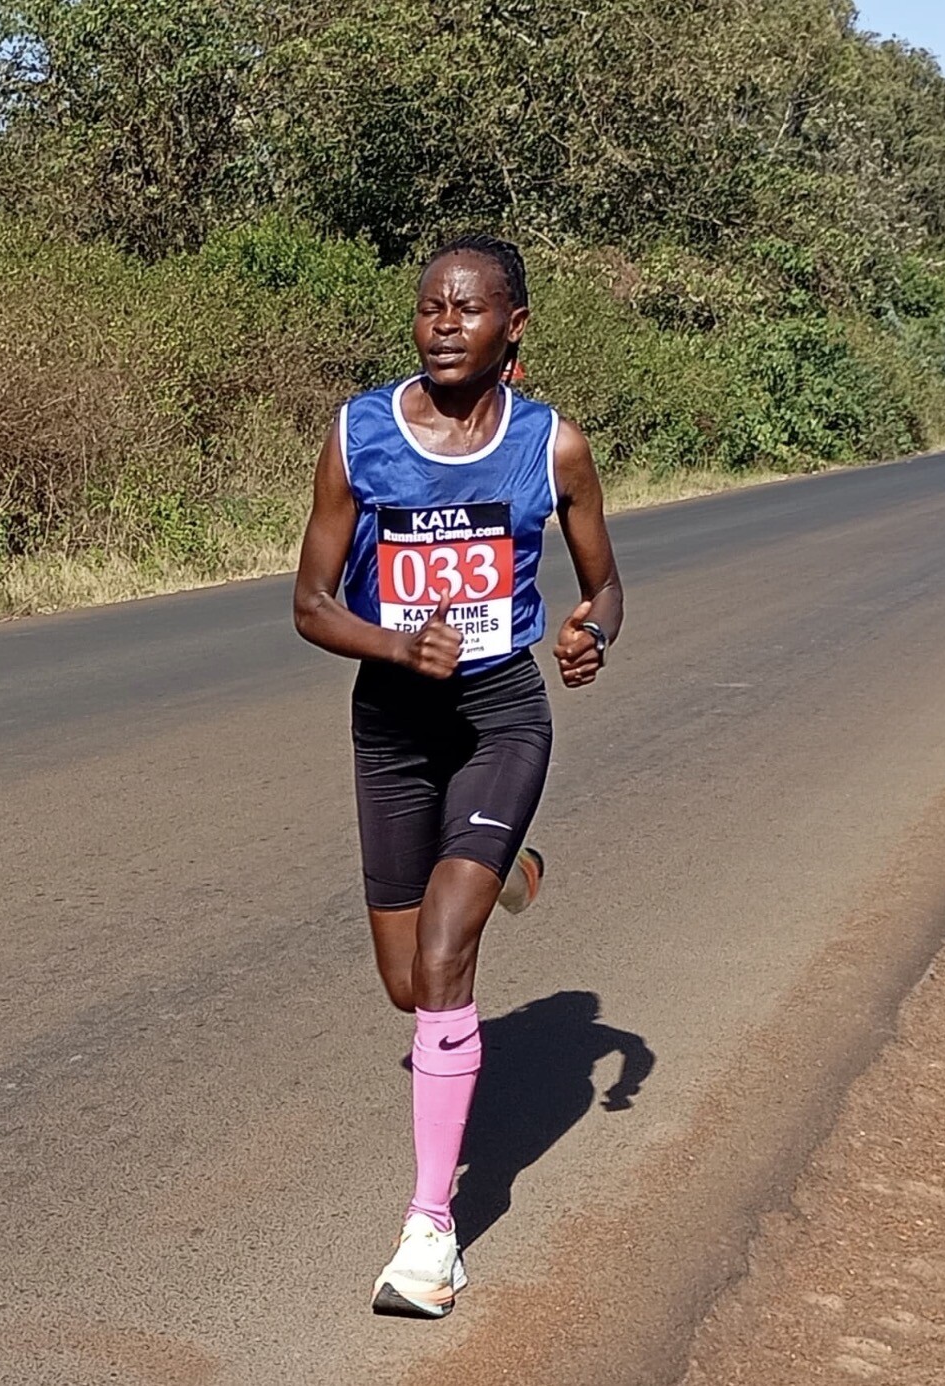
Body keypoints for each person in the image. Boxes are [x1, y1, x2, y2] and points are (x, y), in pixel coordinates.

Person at [293, 233, 623, 1318]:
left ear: (512, 325)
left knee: (443, 956)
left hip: (498, 716)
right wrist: (398, 646)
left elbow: (605, 586)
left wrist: (589, 633)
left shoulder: (551, 446)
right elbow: (310, 604)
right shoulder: (358, 435)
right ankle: (512, 868)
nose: (443, 323)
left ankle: (429, 1234)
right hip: (392, 725)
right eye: (429, 305)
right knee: (406, 984)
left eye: (468, 307)